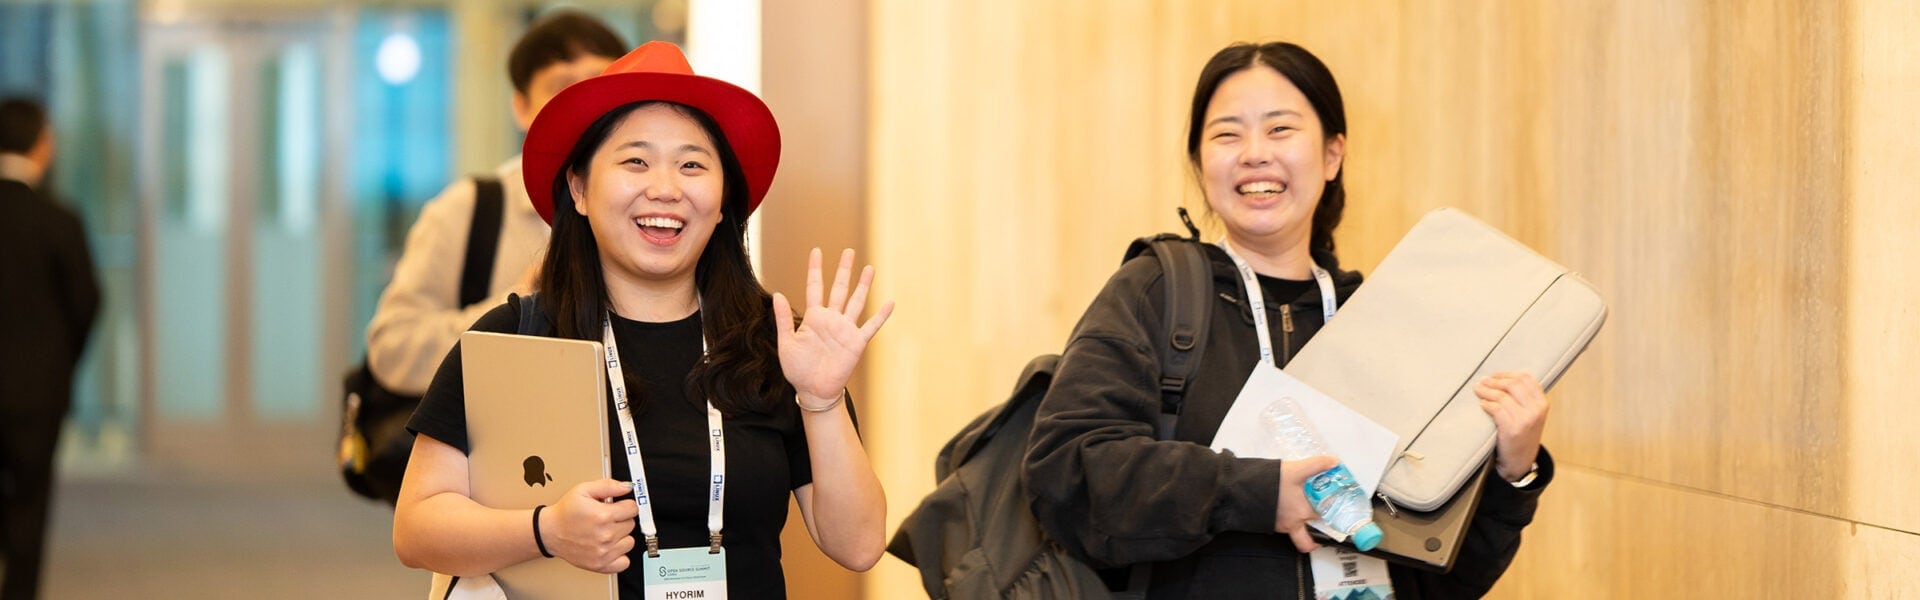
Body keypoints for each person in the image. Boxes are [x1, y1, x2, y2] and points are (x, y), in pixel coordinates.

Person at [1023, 42, 1552, 598]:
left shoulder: (1379, 320)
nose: (1254, 153)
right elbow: (1067, 475)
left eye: (1280, 130)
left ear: (1331, 155)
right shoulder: (1156, 291)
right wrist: (1256, 492)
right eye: (1228, 134)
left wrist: (1511, 475)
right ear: (1201, 165)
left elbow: (1444, 577)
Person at [392, 41, 893, 598]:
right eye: (635, 160)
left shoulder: (774, 346)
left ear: (724, 198)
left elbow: (859, 544)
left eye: (692, 164)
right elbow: (417, 529)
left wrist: (821, 401)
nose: (665, 189)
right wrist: (546, 530)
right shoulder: (516, 338)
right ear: (579, 188)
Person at [366, 10, 626, 397]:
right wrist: (518, 305)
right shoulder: (468, 211)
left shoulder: (652, 208)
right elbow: (392, 350)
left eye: (600, 85)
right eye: (562, 88)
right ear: (520, 107)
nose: (583, 105)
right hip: (493, 451)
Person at [0, 97, 100, 600]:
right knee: (29, 509)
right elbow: (87, 303)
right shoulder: (59, 219)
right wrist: (61, 363)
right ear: (40, 144)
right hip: (37, 396)